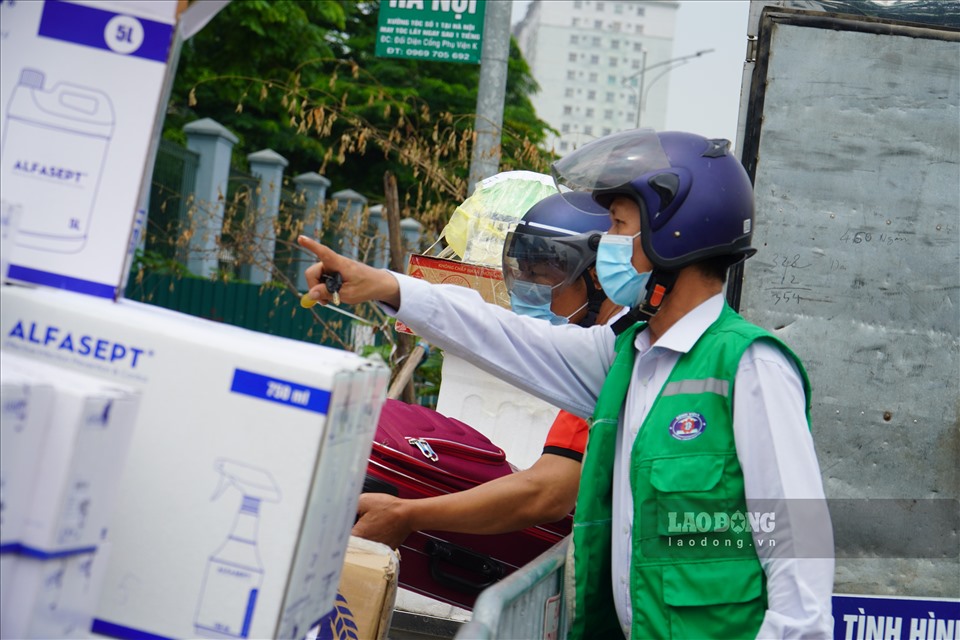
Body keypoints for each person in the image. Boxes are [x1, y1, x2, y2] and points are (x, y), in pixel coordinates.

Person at [299, 129, 834, 639]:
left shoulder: (749, 366)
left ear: (676, 235)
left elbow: (796, 545)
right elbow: (502, 335)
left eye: (622, 227)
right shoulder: (627, 360)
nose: (610, 247)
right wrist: (388, 286)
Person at [352, 192, 622, 548]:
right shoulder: (612, 351)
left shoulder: (614, 363)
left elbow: (547, 494)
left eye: (542, 278)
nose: (530, 293)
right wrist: (389, 286)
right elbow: (489, 328)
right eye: (521, 276)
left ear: (596, 278)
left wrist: (408, 514)